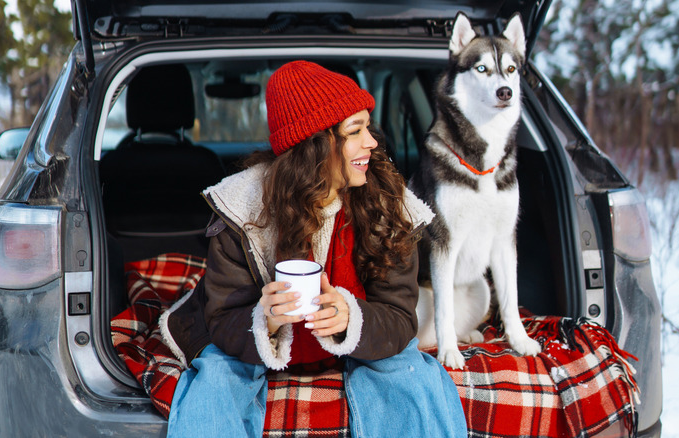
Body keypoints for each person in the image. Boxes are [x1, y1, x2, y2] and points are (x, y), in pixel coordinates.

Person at [161, 60, 467, 437]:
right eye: (355, 131)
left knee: (411, 378)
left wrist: (352, 319)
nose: (372, 142)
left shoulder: (388, 204)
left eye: (368, 127)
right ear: (316, 145)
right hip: (257, 351)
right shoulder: (242, 210)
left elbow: (401, 318)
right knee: (215, 380)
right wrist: (265, 320)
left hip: (357, 346)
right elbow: (222, 318)